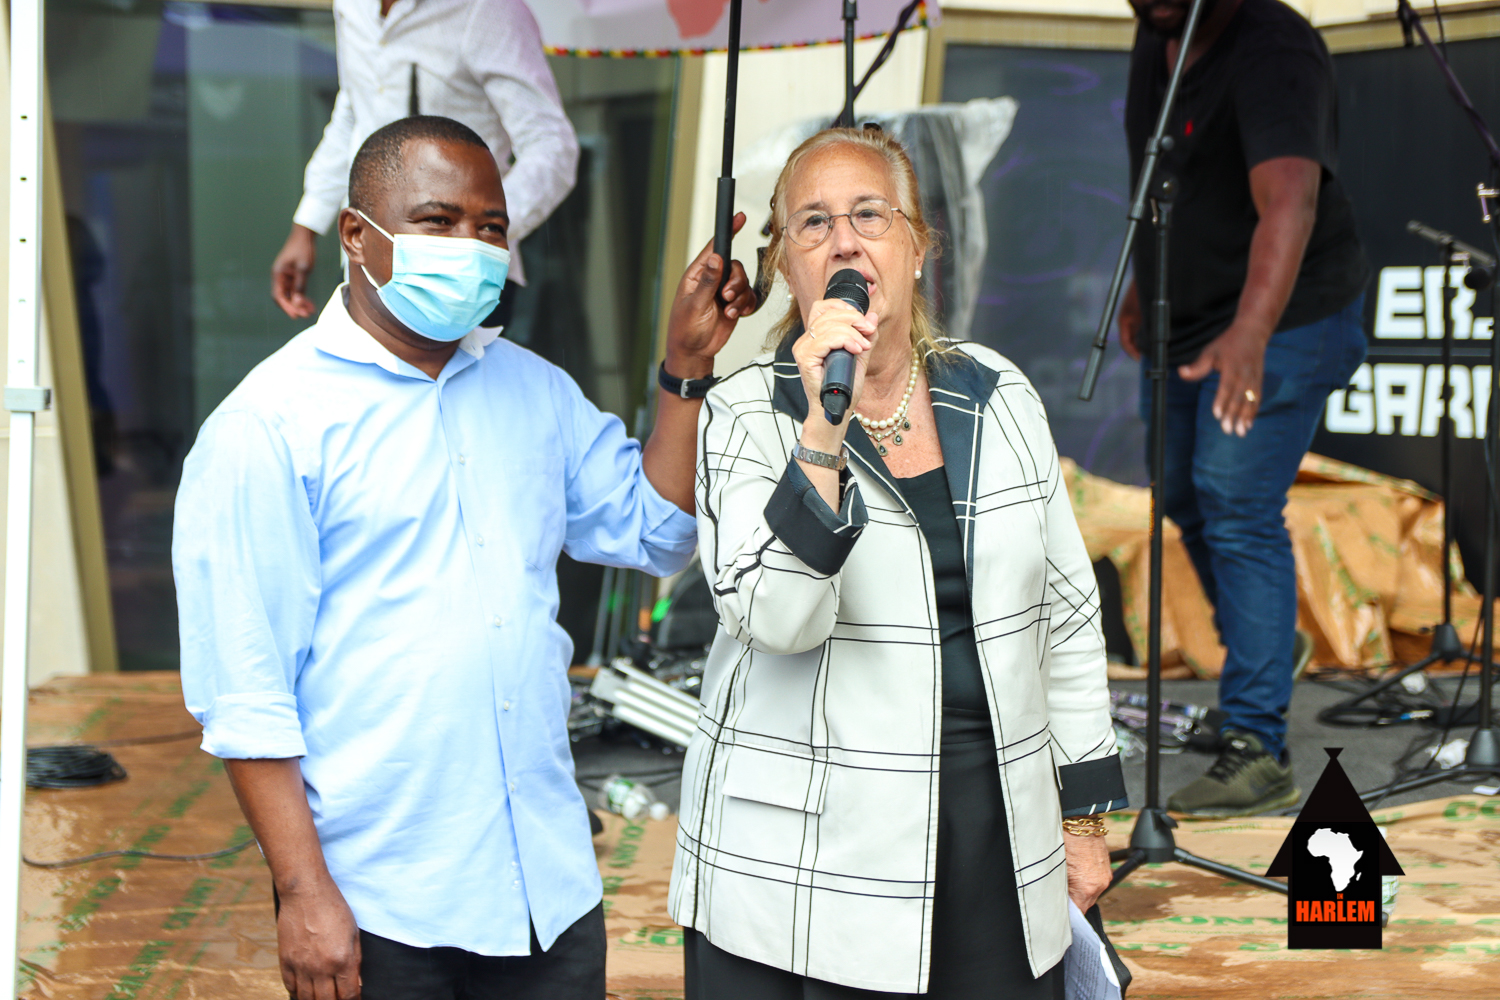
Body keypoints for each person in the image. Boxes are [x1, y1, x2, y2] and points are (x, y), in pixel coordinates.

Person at [176, 115, 755, 1000]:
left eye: (490, 227)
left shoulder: (536, 391)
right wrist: (302, 892)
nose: (471, 247)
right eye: (438, 221)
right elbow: (247, 694)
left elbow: (656, 530)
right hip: (380, 904)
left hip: (547, 891)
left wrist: (685, 367)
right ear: (357, 236)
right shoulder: (269, 426)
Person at [668, 126, 1127, 998]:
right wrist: (821, 432)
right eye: (813, 222)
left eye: (870, 214)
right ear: (785, 267)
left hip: (995, 830)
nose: (844, 240)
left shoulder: (998, 394)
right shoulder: (743, 415)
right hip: (804, 859)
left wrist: (1083, 820)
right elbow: (775, 619)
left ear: (918, 249)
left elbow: (1066, 618)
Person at [1119, 0, 1370, 816]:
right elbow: (1165, 179)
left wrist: (1251, 333)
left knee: (1235, 501)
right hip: (1189, 317)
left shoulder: (1274, 47)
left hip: (1286, 318)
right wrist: (1144, 283)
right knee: (1179, 493)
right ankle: (1267, 646)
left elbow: (1289, 201)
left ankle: (1258, 744)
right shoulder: (1158, 35)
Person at [271, 0, 577, 327]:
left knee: (462, 364)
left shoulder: (489, 9)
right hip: (367, 265)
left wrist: (478, 234)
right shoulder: (351, 5)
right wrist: (307, 225)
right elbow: (353, 113)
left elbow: (551, 144)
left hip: (460, 280)